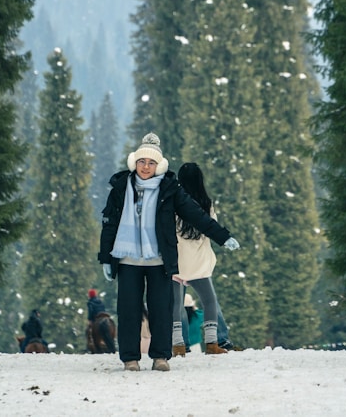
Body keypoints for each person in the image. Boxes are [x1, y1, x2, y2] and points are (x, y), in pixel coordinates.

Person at [97, 132, 240, 372]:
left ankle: (161, 356)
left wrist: (222, 237)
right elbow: (109, 223)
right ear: (135, 162)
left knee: (161, 309)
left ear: (159, 166)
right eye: (142, 161)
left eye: (151, 163)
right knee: (128, 310)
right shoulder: (121, 188)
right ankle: (130, 358)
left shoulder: (169, 189)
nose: (146, 167)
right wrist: (106, 258)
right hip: (127, 259)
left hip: (159, 260)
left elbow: (196, 215)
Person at [172, 161, 234, 356]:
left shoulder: (174, 202)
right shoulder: (206, 203)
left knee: (175, 305)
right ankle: (213, 342)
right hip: (198, 262)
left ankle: (180, 346)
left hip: (178, 261)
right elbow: (210, 226)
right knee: (209, 301)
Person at [86, 288, 116, 353]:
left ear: (90, 295)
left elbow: (91, 312)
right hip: (104, 315)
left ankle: (90, 346)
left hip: (97, 317)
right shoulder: (100, 301)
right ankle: (112, 347)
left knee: (88, 331)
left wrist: (90, 319)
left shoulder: (90, 303)